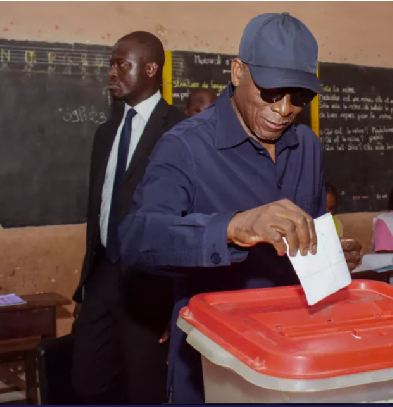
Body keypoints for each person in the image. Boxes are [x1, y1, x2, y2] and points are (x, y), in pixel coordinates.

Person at [118, 13, 362, 403]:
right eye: (270, 93)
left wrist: (329, 257)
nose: (283, 110)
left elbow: (306, 238)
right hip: (215, 363)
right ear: (237, 72)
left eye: (298, 98)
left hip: (294, 355)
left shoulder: (308, 147)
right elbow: (136, 237)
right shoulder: (185, 146)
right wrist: (233, 228)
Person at [71, 31, 186, 404]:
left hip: (149, 285)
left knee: (143, 388)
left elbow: (190, 217)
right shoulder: (105, 133)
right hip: (103, 277)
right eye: (111, 64)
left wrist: (178, 303)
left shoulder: (181, 131)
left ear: (151, 69)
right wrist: (86, 283)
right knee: (87, 381)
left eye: (122, 64)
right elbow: (98, 210)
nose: (112, 72)